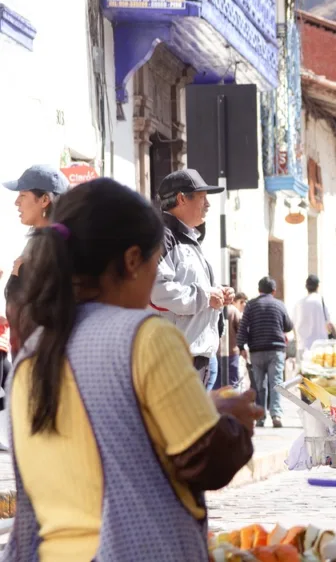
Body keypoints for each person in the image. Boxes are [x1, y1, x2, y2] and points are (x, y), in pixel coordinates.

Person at [4, 178, 262, 560]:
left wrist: (200, 406)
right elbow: (205, 460)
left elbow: (110, 439)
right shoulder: (144, 338)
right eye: (156, 264)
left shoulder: (30, 355)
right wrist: (234, 420)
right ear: (131, 261)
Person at [151, 169, 233, 391]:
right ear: (181, 199)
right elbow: (158, 290)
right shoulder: (162, 237)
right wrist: (207, 297)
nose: (208, 205)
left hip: (198, 359)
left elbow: (187, 286)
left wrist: (217, 293)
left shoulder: (189, 240)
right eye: (202, 198)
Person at [3, 164, 71, 356]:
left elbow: (43, 310)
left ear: (44, 200)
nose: (17, 202)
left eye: (23, 195)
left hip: (43, 358)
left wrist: (19, 274)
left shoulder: (53, 245)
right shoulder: (42, 240)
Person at [238, 277, 293, 428]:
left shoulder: (251, 305)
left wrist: (241, 346)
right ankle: (276, 414)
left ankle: (261, 416)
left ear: (259, 290)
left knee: (259, 384)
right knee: (276, 382)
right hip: (276, 350)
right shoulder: (279, 305)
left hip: (256, 350)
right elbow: (288, 326)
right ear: (274, 291)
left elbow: (243, 326)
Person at [293, 275, 336, 357]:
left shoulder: (298, 303)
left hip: (302, 347)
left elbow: (293, 325)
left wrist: (297, 342)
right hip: (320, 347)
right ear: (318, 286)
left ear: (306, 287)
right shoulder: (322, 301)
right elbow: (330, 323)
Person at [216, 293, 248, 390]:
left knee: (217, 382)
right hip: (232, 352)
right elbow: (241, 330)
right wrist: (242, 348)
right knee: (233, 382)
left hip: (216, 352)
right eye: (242, 302)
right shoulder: (233, 311)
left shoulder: (215, 309)